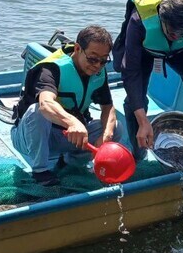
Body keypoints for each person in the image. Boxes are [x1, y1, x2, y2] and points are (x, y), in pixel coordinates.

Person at [11, 25, 126, 186]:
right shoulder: (51, 68)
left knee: (116, 127)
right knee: (36, 111)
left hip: (67, 137)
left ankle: (70, 164)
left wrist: (106, 135)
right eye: (92, 59)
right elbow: (45, 103)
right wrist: (73, 122)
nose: (97, 65)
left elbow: (108, 107)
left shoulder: (98, 72)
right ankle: (40, 171)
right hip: (30, 138)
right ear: (78, 49)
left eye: (103, 61)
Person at [112, 0, 183, 157]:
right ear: (161, 19)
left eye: (182, 33)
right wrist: (143, 121)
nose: (176, 36)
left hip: (181, 50)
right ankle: (139, 153)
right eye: (172, 33)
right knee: (135, 98)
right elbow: (131, 73)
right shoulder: (139, 22)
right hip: (146, 49)